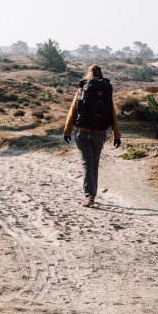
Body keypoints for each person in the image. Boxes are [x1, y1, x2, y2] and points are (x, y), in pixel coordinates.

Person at [63, 64, 121, 207]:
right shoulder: (107, 91)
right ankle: (92, 194)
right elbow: (112, 113)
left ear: (89, 73)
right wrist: (116, 135)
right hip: (100, 133)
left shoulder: (82, 88)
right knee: (94, 164)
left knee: (86, 163)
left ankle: (89, 195)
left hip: (82, 132)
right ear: (101, 74)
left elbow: (73, 111)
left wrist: (67, 131)